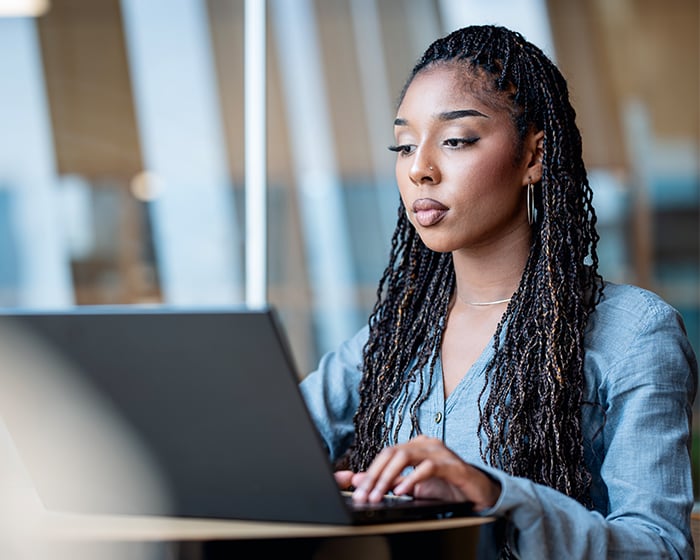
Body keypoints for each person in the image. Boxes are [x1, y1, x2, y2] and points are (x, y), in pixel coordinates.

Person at [299, 24, 698, 559]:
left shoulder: (633, 332)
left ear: (534, 156)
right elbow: (271, 445)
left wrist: (496, 495)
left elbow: (660, 549)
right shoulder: (395, 334)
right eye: (404, 145)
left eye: (456, 140)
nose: (419, 169)